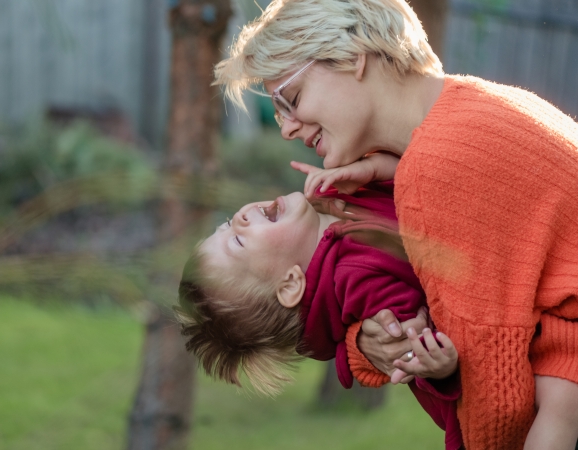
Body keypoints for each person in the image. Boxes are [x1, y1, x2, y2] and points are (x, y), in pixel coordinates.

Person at [212, 1, 578, 449]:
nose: (286, 127)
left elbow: (495, 383)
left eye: (292, 99)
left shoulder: (433, 171)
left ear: (351, 58)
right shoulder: (472, 103)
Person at [176, 182, 463, 449]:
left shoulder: (330, 200)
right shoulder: (357, 277)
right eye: (238, 241)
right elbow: (416, 343)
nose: (239, 217)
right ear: (290, 284)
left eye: (225, 224)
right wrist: (437, 369)